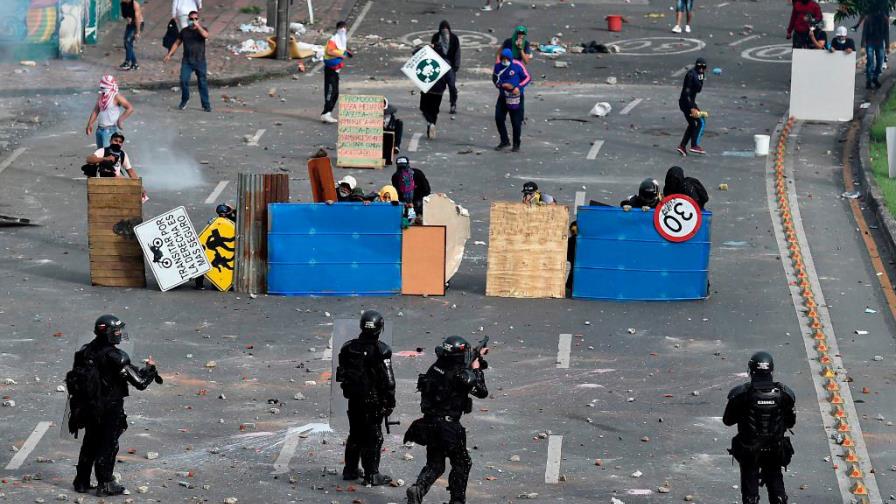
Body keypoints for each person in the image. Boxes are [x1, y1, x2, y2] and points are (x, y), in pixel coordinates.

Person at [66, 315, 162, 496]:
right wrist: (150, 369)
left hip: (90, 406)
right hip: (110, 407)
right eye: (116, 331)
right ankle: (106, 484)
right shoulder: (117, 357)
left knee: (90, 442)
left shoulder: (85, 351)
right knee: (108, 445)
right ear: (107, 333)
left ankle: (81, 481)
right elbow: (140, 382)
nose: (119, 334)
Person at [405, 335, 489, 504]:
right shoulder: (461, 375)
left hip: (429, 423)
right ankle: (457, 501)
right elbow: (481, 391)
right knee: (462, 463)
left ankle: (418, 488)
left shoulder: (436, 367)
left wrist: (473, 360)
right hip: (448, 427)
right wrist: (477, 367)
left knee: (435, 464)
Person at [723, 352, 795, 504]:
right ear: (772, 370)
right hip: (775, 449)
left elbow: (727, 420)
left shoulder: (740, 394)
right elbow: (790, 422)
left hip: (749, 450)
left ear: (750, 370)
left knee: (750, 492)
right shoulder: (785, 394)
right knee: (776, 486)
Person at [335, 310, 395, 486]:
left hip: (354, 399)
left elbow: (342, 373)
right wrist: (390, 402)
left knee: (355, 434)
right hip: (373, 401)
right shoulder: (382, 350)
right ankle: (372, 474)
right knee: (374, 437)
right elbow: (389, 381)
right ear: (380, 328)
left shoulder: (348, 347)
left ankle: (350, 470)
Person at [163, 11, 211, 112]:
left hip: (200, 61)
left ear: (198, 19)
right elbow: (177, 43)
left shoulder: (202, 30)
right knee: (184, 80)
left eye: (195, 19)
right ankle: (185, 99)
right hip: (187, 61)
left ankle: (206, 104)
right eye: (191, 19)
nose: (193, 21)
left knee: (202, 83)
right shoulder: (184, 31)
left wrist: (198, 27)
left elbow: (206, 35)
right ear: (188, 20)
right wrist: (169, 54)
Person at [493, 48, 532, 152]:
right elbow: (495, 79)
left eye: (507, 59)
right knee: (499, 118)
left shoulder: (518, 65)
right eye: (503, 59)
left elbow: (527, 78)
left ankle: (516, 144)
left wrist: (518, 87)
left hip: (516, 96)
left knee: (516, 122)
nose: (505, 61)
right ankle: (504, 140)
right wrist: (501, 85)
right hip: (503, 96)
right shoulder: (498, 66)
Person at [85, 75, 134, 149]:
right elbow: (96, 110)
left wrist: (120, 120)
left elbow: (130, 108)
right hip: (100, 130)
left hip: (110, 130)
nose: (102, 89)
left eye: (104, 87)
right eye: (102, 87)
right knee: (101, 154)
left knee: (109, 155)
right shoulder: (101, 96)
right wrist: (90, 124)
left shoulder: (116, 97)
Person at [322, 21, 353, 124]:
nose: (343, 29)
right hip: (330, 69)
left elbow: (341, 49)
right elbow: (329, 51)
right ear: (337, 29)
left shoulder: (341, 40)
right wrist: (340, 55)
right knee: (331, 91)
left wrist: (346, 53)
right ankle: (326, 113)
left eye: (345, 27)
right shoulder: (333, 39)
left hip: (335, 69)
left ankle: (328, 113)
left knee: (335, 92)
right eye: (341, 27)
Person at [677, 57, 707, 157]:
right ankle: (694, 145)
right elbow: (686, 93)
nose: (701, 69)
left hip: (688, 102)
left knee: (692, 125)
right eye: (699, 67)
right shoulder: (690, 75)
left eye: (703, 68)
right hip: (687, 103)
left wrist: (701, 78)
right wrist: (692, 108)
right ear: (696, 66)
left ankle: (682, 146)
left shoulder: (700, 75)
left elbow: (698, 89)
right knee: (701, 121)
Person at [431, 21, 461, 115]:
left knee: (452, 86)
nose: (444, 33)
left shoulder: (454, 38)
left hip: (450, 66)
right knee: (438, 87)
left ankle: (453, 104)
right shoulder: (436, 37)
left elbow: (457, 52)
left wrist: (456, 65)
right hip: (438, 65)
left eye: (446, 30)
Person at [862, 12, 888, 89]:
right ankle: (869, 81)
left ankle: (875, 78)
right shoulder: (868, 18)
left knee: (880, 63)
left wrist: (887, 46)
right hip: (870, 42)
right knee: (870, 62)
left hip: (880, 43)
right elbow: (864, 32)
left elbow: (886, 33)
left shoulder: (884, 19)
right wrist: (862, 46)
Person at [120, 0, 143, 71]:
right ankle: (134, 64)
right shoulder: (123, 4)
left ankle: (127, 62)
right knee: (126, 43)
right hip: (130, 24)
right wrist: (128, 18)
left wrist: (138, 32)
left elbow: (138, 19)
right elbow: (124, 15)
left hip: (138, 24)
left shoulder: (135, 5)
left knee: (128, 42)